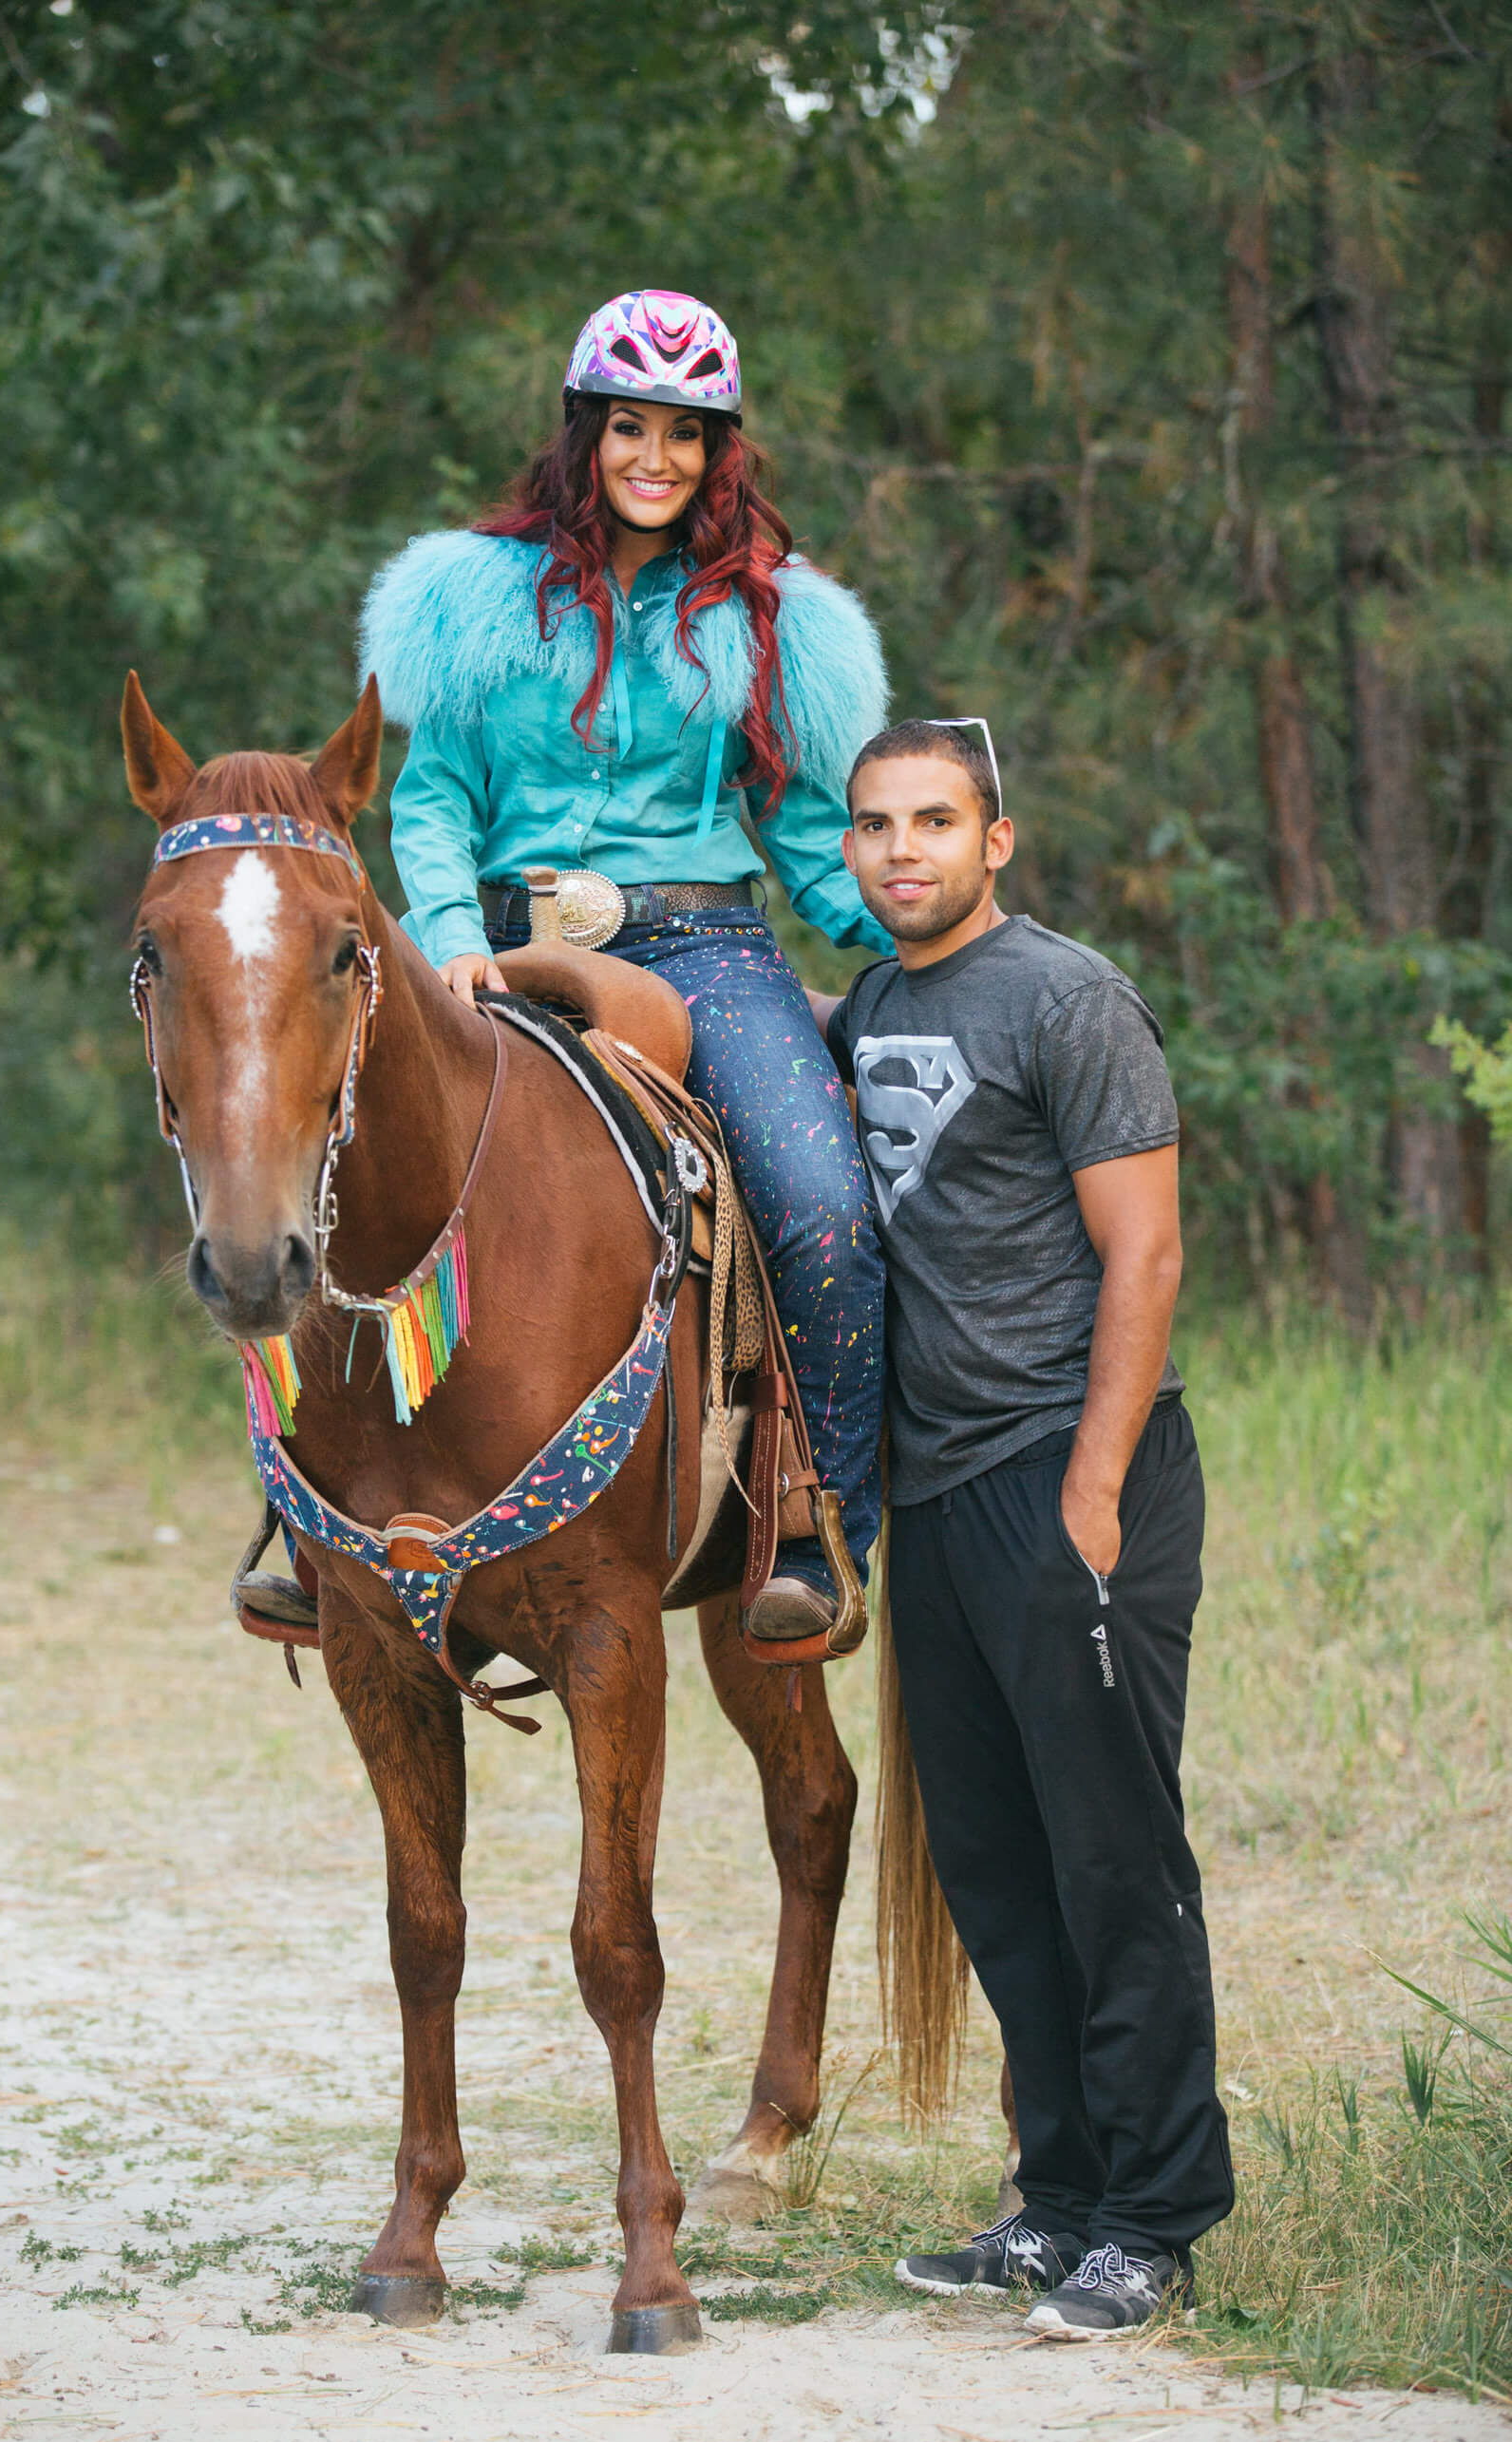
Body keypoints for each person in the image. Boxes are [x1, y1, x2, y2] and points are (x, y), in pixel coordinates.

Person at [359, 290, 892, 1634]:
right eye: (630, 427)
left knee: (823, 1200)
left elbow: (812, 840)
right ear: (585, 432)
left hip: (704, 939)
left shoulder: (768, 621)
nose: (656, 459)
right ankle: (310, 1519)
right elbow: (432, 801)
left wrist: (927, 937)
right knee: (331, 1159)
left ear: (721, 452)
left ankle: (823, 1530)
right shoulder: (478, 599)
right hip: (497, 939)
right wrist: (454, 945)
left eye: (687, 434)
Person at [813, 717, 1233, 2338]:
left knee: (1112, 1858)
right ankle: (1055, 2200)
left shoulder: (1067, 998)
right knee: (993, 1867)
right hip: (939, 1495)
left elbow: (1150, 1256)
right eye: (873, 826)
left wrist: (1095, 1489)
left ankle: (1156, 2219)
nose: (902, 849)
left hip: (1074, 1471)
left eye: (935, 820)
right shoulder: (877, 1006)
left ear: (998, 839)